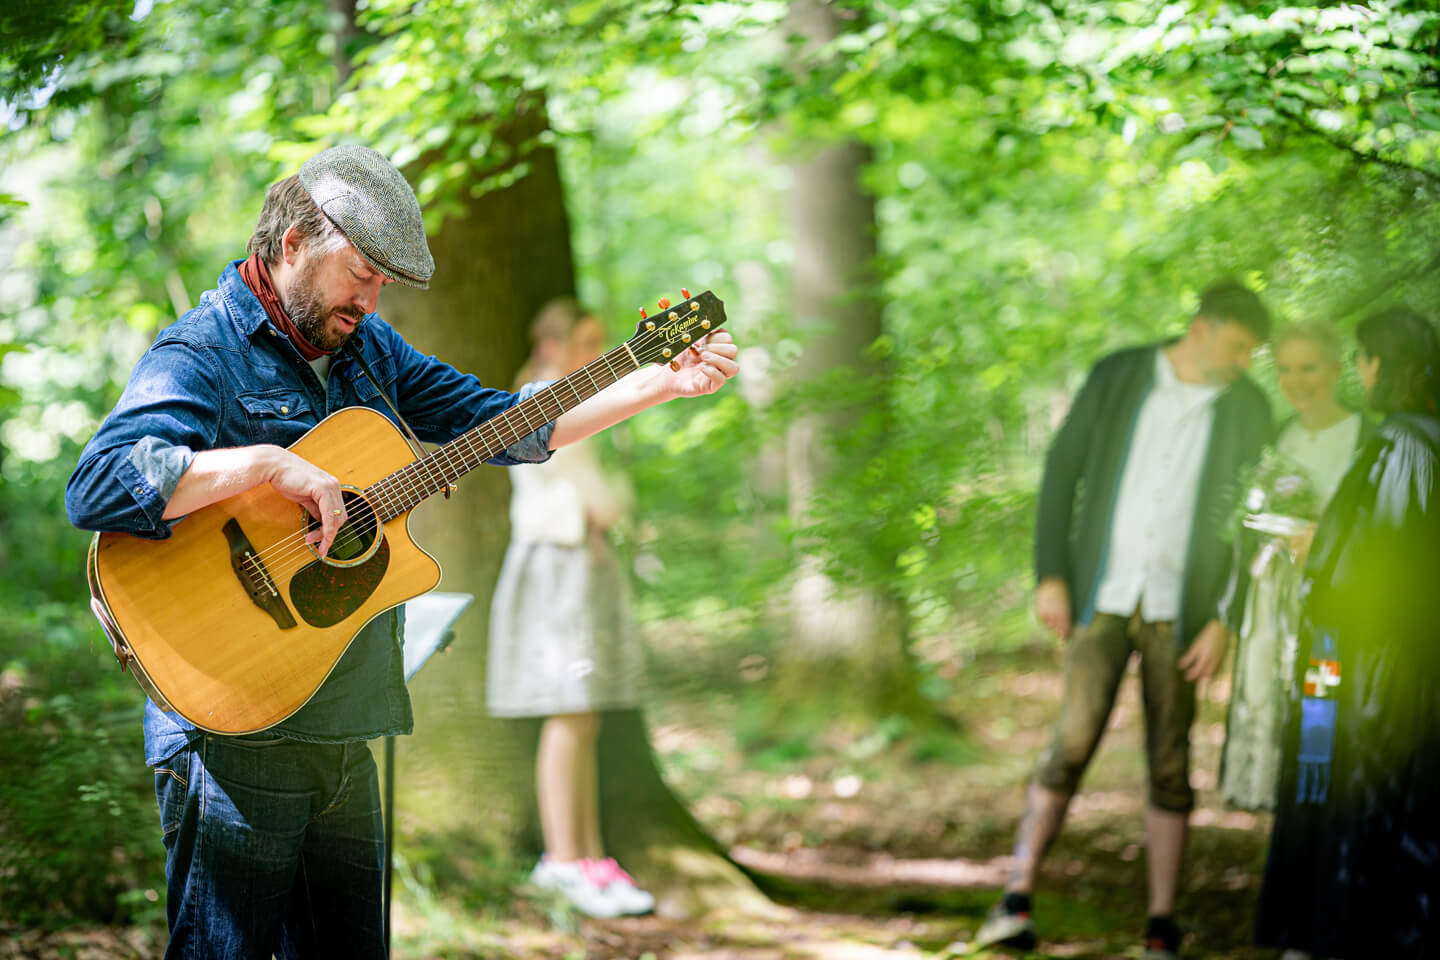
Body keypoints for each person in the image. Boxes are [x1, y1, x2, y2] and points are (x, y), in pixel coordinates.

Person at [63, 145, 739, 959]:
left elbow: (504, 423)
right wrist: (268, 464)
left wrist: (656, 381)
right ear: (291, 245)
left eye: (384, 281)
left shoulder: (370, 351)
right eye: (361, 273)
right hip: (229, 732)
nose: (372, 298)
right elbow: (98, 487)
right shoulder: (203, 350)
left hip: (347, 721)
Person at [974, 282, 1274, 960]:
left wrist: (1225, 619)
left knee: (1170, 762)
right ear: (1201, 329)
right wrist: (1051, 574)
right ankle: (1014, 901)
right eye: (1236, 347)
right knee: (1070, 744)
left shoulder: (1248, 408)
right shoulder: (1120, 375)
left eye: (1250, 352)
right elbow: (1063, 470)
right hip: (1100, 597)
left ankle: (1161, 927)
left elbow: (1251, 522)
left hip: (1183, 614)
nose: (1243, 362)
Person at [1255, 306, 1440, 960]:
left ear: (1376, 363)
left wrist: (1318, 553)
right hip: (1370, 660)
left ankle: (1338, 934)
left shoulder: (1403, 444)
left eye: (1363, 359)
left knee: (1349, 789)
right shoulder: (1415, 439)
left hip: (1371, 665)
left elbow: (1388, 562)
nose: (1362, 370)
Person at [486, 299, 651, 918]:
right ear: (552, 345)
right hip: (558, 565)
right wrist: (616, 501)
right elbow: (603, 501)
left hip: (577, 563)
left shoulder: (562, 397)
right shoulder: (549, 400)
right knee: (569, 711)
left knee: (583, 714)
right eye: (585, 342)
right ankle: (563, 859)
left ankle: (589, 857)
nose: (596, 354)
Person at [1220, 321, 1369, 811]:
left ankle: (1321, 808)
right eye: (1285, 369)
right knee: (1271, 697)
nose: (1296, 381)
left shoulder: (1365, 438)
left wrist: (1321, 544)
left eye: (1308, 368)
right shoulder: (1276, 436)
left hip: (1332, 602)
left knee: (1321, 702)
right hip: (1272, 593)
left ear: (1336, 368)